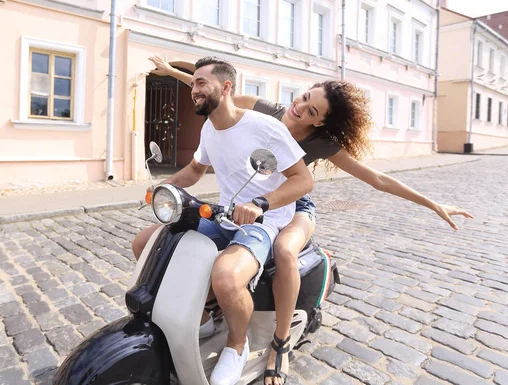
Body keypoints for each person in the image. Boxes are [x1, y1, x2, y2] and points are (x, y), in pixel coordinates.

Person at [141, 55, 474, 385]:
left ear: (318, 122)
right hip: (249, 200)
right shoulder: (264, 110)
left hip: (294, 203)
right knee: (175, 238)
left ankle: (280, 343)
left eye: (311, 110)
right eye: (303, 98)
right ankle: (211, 310)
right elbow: (212, 91)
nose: (299, 108)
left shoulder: (320, 142)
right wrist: (173, 72)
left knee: (285, 251)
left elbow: (376, 179)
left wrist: (433, 204)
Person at [136, 56, 313, 385]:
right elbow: (194, 170)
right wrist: (161, 188)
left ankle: (237, 344)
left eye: (201, 82)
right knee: (146, 244)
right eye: (192, 84)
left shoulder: (265, 128)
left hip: (261, 222)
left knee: (227, 277)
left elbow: (303, 181)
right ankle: (203, 315)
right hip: (223, 215)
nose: (194, 90)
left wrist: (261, 203)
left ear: (226, 86)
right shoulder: (208, 129)